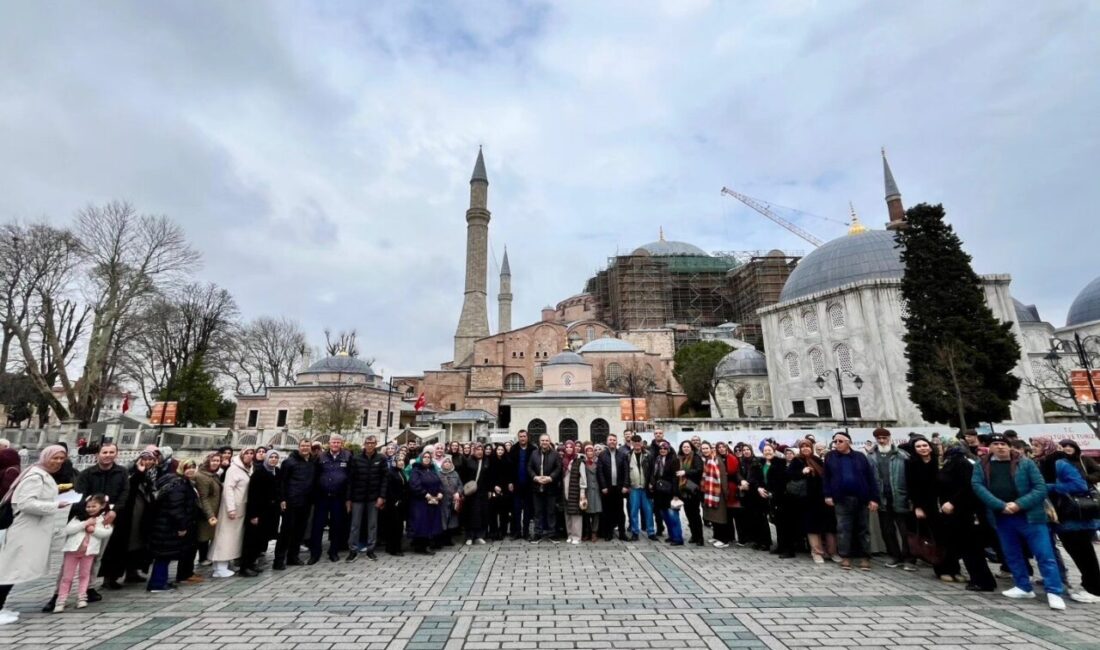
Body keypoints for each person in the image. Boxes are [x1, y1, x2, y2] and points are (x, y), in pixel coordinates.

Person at [971, 433, 1066, 610]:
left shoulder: (1026, 463)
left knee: (1044, 554)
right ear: (990, 447)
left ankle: (1054, 591)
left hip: (1030, 516)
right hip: (1002, 516)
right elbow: (978, 486)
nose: (1000, 447)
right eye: (996, 444)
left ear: (1009, 446)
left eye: (1003, 444)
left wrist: (1019, 504)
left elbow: (1040, 487)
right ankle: (1023, 586)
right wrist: (1000, 505)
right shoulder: (981, 465)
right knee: (1012, 553)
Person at [0, 445, 70, 626]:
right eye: (55, 458)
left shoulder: (40, 473)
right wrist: (55, 505)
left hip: (29, 530)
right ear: (45, 457)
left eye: (62, 458)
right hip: (24, 530)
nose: (58, 462)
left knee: (12, 570)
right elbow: (25, 503)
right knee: (9, 571)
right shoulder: (35, 476)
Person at [1043, 444, 1100, 602]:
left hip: (1074, 518)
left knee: (1083, 553)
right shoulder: (1047, 463)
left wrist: (1051, 487)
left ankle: (1094, 589)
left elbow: (1079, 485)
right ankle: (1088, 584)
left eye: (1036, 445)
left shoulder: (1060, 464)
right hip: (1066, 518)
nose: (1033, 448)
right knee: (1080, 553)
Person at [937, 440, 996, 591]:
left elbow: (970, 486)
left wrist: (953, 502)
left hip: (966, 512)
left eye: (942, 446)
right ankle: (980, 579)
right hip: (958, 512)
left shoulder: (961, 462)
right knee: (967, 547)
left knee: (971, 547)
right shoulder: (954, 461)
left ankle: (982, 581)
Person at [823, 431, 880, 571]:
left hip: (861, 498)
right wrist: (827, 495)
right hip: (841, 499)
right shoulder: (830, 457)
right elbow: (826, 478)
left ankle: (865, 557)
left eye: (840, 441)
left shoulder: (860, 457)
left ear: (849, 442)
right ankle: (845, 556)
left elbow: (870, 478)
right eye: (835, 442)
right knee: (843, 529)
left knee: (863, 529)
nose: (837, 444)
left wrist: (873, 498)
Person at [99, 451, 156, 589]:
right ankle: (110, 577)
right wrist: (140, 472)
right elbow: (130, 487)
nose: (147, 462)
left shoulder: (149, 474)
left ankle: (132, 571)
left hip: (139, 515)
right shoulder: (127, 473)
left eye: (150, 459)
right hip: (125, 515)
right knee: (118, 546)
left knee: (136, 544)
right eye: (144, 459)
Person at [905, 436, 955, 580]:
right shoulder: (911, 464)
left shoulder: (939, 461)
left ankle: (954, 569)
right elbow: (912, 487)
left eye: (925, 445)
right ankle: (941, 570)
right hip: (927, 505)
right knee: (936, 538)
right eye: (918, 446)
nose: (923, 448)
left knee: (950, 538)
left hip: (945, 503)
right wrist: (918, 507)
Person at [53, 494, 113, 611]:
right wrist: (84, 524)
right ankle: (61, 600)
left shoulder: (102, 520)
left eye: (93, 506)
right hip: (72, 551)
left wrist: (94, 529)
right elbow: (68, 530)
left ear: (102, 506)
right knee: (67, 577)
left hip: (88, 552)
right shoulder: (78, 517)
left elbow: (106, 532)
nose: (90, 509)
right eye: (88, 506)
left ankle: (82, 597)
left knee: (84, 575)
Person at [146, 454, 197, 592]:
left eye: (193, 467)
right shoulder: (179, 485)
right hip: (169, 525)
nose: (191, 470)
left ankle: (161, 581)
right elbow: (176, 507)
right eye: (188, 468)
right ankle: (157, 584)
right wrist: (182, 525)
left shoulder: (182, 483)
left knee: (166, 555)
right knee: (163, 555)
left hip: (167, 525)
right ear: (181, 469)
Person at [868, 428, 915, 571]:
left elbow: (911, 478)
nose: (882, 441)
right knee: (887, 530)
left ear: (889, 438)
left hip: (900, 496)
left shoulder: (903, 455)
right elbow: (868, 478)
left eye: (884, 438)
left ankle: (909, 558)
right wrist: (872, 498)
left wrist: (911, 498)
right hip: (882, 498)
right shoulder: (870, 456)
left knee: (905, 530)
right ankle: (895, 555)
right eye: (879, 438)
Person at [210, 448, 255, 578]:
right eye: (246, 453)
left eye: (251, 453)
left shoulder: (247, 469)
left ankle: (225, 564)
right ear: (241, 455)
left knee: (233, 539)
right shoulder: (234, 469)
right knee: (225, 537)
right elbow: (228, 489)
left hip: (240, 507)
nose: (249, 455)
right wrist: (231, 508)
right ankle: (220, 567)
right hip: (232, 508)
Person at [273, 439, 317, 570]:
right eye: (302, 446)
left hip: (306, 501)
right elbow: (282, 482)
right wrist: (282, 499)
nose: (305, 448)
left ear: (310, 448)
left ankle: (293, 556)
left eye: (307, 446)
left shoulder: (312, 463)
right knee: (286, 531)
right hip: (291, 501)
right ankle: (279, 559)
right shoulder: (289, 462)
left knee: (299, 531)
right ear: (298, 447)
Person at [311, 435, 352, 563]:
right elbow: (315, 475)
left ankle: (333, 552)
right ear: (329, 443)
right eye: (333, 442)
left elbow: (351, 478)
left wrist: (348, 498)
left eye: (338, 442)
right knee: (318, 526)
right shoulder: (320, 456)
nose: (335, 444)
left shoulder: (348, 456)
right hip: (322, 496)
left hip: (338, 497)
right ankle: (315, 553)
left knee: (336, 525)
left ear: (342, 444)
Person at [347, 436, 388, 561]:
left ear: (376, 444)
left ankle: (371, 549)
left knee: (372, 525)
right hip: (358, 497)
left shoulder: (381, 458)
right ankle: (353, 550)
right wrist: (348, 499)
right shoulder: (356, 458)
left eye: (372, 443)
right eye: (368, 443)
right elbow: (350, 480)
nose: (370, 445)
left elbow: (384, 479)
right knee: (355, 525)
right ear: (364, 444)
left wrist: (382, 496)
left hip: (373, 497)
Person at [241, 449, 280, 576]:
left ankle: (252, 563)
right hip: (259, 511)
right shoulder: (259, 473)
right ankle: (245, 566)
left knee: (261, 540)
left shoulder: (277, 472)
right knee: (252, 539)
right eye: (271, 457)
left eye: (275, 457)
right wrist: (253, 515)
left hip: (271, 512)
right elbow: (253, 495)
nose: (273, 459)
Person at [528, 434, 562, 543]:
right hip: (537, 487)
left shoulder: (555, 454)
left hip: (550, 488)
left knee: (551, 511)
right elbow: (529, 467)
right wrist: (535, 477)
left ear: (549, 441)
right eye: (542, 440)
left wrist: (551, 478)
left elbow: (558, 467)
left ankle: (552, 534)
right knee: (538, 512)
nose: (544, 442)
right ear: (539, 442)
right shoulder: (534, 454)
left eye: (546, 440)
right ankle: (538, 534)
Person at [409, 450, 443, 554]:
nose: (427, 458)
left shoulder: (432, 470)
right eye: (425, 457)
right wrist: (425, 494)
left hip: (433, 501)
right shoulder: (416, 470)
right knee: (422, 524)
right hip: (421, 502)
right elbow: (414, 485)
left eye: (429, 457)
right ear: (421, 458)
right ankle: (422, 546)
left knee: (431, 523)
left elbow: (439, 482)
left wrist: (440, 492)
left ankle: (430, 543)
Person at [460, 443, 495, 545]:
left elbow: (489, 477)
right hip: (471, 493)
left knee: (482, 513)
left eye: (481, 449)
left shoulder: (487, 461)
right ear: (473, 451)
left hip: (483, 492)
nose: (479, 451)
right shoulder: (468, 461)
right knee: (471, 514)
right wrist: (463, 491)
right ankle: (469, 536)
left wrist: (489, 490)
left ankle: (480, 535)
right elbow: (463, 476)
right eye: (477, 449)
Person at [596, 433, 629, 541]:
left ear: (616, 441)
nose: (612, 442)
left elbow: (626, 471)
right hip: (607, 488)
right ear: (607, 442)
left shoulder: (622, 455)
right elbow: (600, 472)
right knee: (607, 512)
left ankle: (622, 533)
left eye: (614, 440)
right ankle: (608, 533)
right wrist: (603, 486)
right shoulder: (602, 455)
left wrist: (625, 485)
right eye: (610, 440)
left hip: (619, 488)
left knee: (620, 512)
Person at [650, 441, 683, 546]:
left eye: (665, 448)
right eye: (661, 449)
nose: (662, 450)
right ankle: (671, 536)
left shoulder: (674, 460)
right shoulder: (657, 459)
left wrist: (676, 494)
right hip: (660, 493)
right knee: (665, 516)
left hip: (670, 492)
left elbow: (675, 478)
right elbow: (655, 475)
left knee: (673, 516)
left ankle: (678, 538)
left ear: (668, 449)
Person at [193, 453, 223, 567]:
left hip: (213, 509)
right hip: (206, 511)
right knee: (203, 536)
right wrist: (210, 514)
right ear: (208, 461)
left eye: (218, 460)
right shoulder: (202, 476)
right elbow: (203, 497)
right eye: (213, 460)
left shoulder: (213, 475)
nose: (216, 463)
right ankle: (202, 558)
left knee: (207, 534)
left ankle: (206, 557)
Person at [507, 430, 536, 539]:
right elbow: (509, 467)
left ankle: (526, 532)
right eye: (520, 436)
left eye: (524, 436)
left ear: (527, 437)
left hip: (529, 484)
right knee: (516, 509)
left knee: (528, 510)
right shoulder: (513, 449)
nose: (522, 438)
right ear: (518, 437)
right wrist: (510, 481)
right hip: (516, 484)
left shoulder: (533, 449)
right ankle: (517, 531)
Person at [559, 440, 587, 545]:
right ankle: (570, 534)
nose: (569, 449)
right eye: (567, 447)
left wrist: (582, 492)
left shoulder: (579, 461)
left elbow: (583, 478)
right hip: (564, 491)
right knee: (567, 514)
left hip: (575, 491)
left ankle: (577, 536)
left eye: (571, 447)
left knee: (576, 515)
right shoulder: (563, 461)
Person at [676, 441, 704, 546]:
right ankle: (694, 535)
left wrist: (685, 472)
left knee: (695, 515)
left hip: (693, 490)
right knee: (689, 515)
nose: (686, 448)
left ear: (691, 448)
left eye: (688, 447)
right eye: (684, 447)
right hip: (684, 490)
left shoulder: (696, 457)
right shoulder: (680, 458)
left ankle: (700, 538)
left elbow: (699, 470)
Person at [381, 453, 408, 556]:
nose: (401, 462)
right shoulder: (390, 473)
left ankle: (396, 546)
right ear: (394, 462)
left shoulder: (401, 472)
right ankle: (393, 548)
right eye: (399, 460)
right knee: (393, 526)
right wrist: (395, 500)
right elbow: (389, 488)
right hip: (393, 504)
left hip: (401, 503)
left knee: (399, 526)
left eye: (402, 460)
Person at [438, 457, 462, 546]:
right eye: (445, 462)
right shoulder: (438, 474)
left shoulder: (455, 473)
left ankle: (449, 539)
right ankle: (442, 539)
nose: (447, 463)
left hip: (453, 500)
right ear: (442, 464)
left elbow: (460, 485)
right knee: (443, 519)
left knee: (452, 519)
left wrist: (458, 493)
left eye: (449, 462)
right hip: (443, 500)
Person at [490, 444, 512, 540]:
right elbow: (488, 476)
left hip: (505, 489)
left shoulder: (508, 461)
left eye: (502, 450)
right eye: (498, 449)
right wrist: (494, 486)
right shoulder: (491, 460)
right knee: (493, 512)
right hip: (494, 488)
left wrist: (507, 485)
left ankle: (502, 531)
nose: (500, 451)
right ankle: (494, 531)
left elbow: (510, 475)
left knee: (504, 512)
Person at [582, 444, 602, 542]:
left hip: (597, 489)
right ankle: (587, 532)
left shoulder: (598, 462)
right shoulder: (583, 463)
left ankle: (595, 532)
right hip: (586, 489)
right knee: (586, 512)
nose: (590, 453)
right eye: (588, 451)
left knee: (596, 512)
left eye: (591, 451)